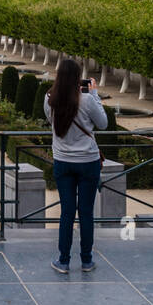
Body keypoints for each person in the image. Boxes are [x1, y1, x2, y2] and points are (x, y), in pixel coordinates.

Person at [44, 58, 107, 274]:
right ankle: (87, 260)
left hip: (63, 162)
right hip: (88, 162)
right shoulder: (87, 100)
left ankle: (63, 260)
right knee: (86, 213)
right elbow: (103, 124)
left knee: (67, 213)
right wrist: (95, 94)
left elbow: (51, 121)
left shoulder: (49, 98)